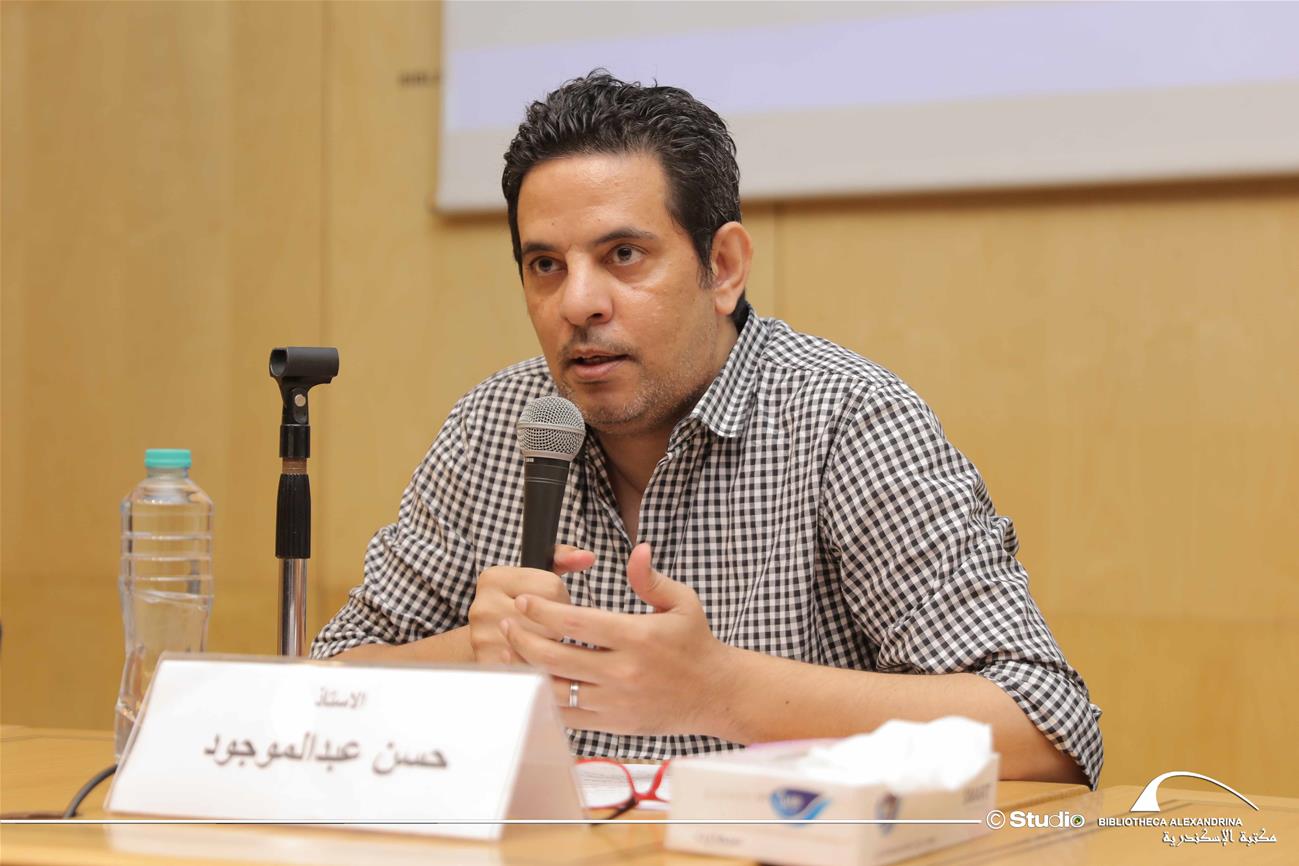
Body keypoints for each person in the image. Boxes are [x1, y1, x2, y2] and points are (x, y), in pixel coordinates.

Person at [312, 71, 1102, 788]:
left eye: (623, 254)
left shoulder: (844, 419)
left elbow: (1047, 729)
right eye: (545, 265)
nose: (577, 303)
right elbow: (319, 690)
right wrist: (472, 653)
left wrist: (719, 691)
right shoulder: (496, 427)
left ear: (722, 268)